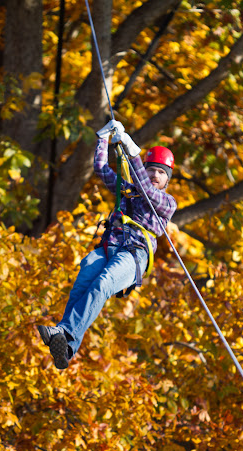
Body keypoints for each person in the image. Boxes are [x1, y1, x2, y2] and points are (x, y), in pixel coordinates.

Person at [38, 120, 177, 369]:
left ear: (167, 180)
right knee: (84, 278)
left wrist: (131, 148)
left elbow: (146, 190)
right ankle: (67, 345)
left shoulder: (166, 202)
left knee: (104, 282)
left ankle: (65, 332)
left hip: (134, 254)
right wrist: (103, 139)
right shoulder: (128, 191)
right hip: (109, 247)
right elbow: (101, 168)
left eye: (161, 172)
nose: (155, 175)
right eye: (151, 169)